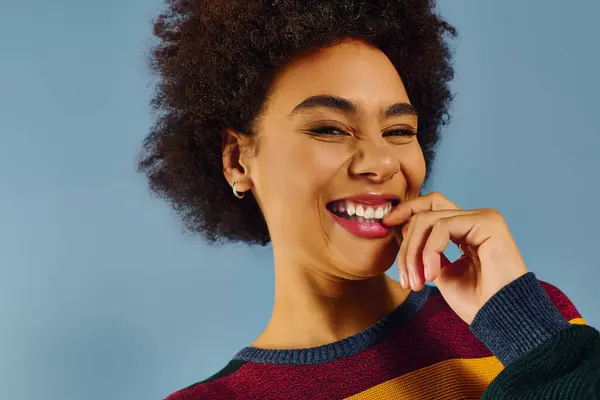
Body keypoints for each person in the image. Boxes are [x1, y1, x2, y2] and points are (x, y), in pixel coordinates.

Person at [139, 1, 600, 399]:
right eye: (329, 129)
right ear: (238, 161)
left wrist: (524, 329)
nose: (379, 162)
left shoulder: (536, 325)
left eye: (399, 131)